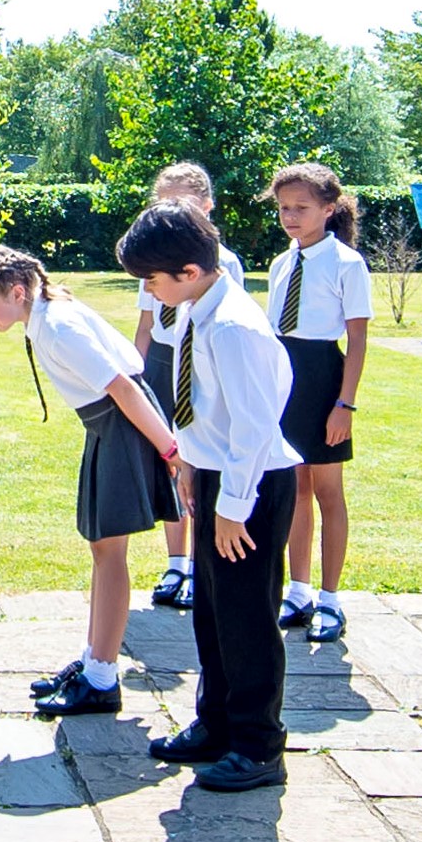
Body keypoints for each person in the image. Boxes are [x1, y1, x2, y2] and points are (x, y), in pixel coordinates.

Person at [117, 200, 300, 792]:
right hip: (218, 475)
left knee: (247, 618)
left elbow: (253, 427)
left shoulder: (234, 326)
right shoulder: (198, 309)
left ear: (190, 271)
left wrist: (233, 510)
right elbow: (202, 403)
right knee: (213, 612)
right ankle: (216, 723)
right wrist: (193, 463)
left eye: (152, 280)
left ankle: (258, 745)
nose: (149, 291)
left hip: (252, 485)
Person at [0, 245, 180, 716]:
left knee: (110, 552)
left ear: (17, 292)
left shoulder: (58, 326)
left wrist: (170, 450)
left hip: (121, 425)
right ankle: (93, 660)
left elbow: (123, 387)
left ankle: (102, 678)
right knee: (102, 548)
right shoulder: (44, 315)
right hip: (105, 426)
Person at [264, 163, 373, 642]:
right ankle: (299, 590)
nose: (290, 216)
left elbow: (358, 339)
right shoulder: (281, 263)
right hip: (283, 380)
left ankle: (331, 599)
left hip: (323, 379)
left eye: (301, 208)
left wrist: (344, 405)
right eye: (284, 208)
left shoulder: (347, 264)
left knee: (328, 491)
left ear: (329, 209)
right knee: (294, 489)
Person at [133, 163, 244, 613]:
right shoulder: (153, 256)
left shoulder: (222, 262)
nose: (174, 210)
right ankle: (175, 562)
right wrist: (137, 375)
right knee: (171, 462)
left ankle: (199, 566)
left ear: (208, 205)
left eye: (184, 202)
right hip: (163, 360)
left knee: (200, 458)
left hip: (199, 363)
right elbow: (146, 323)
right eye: (165, 203)